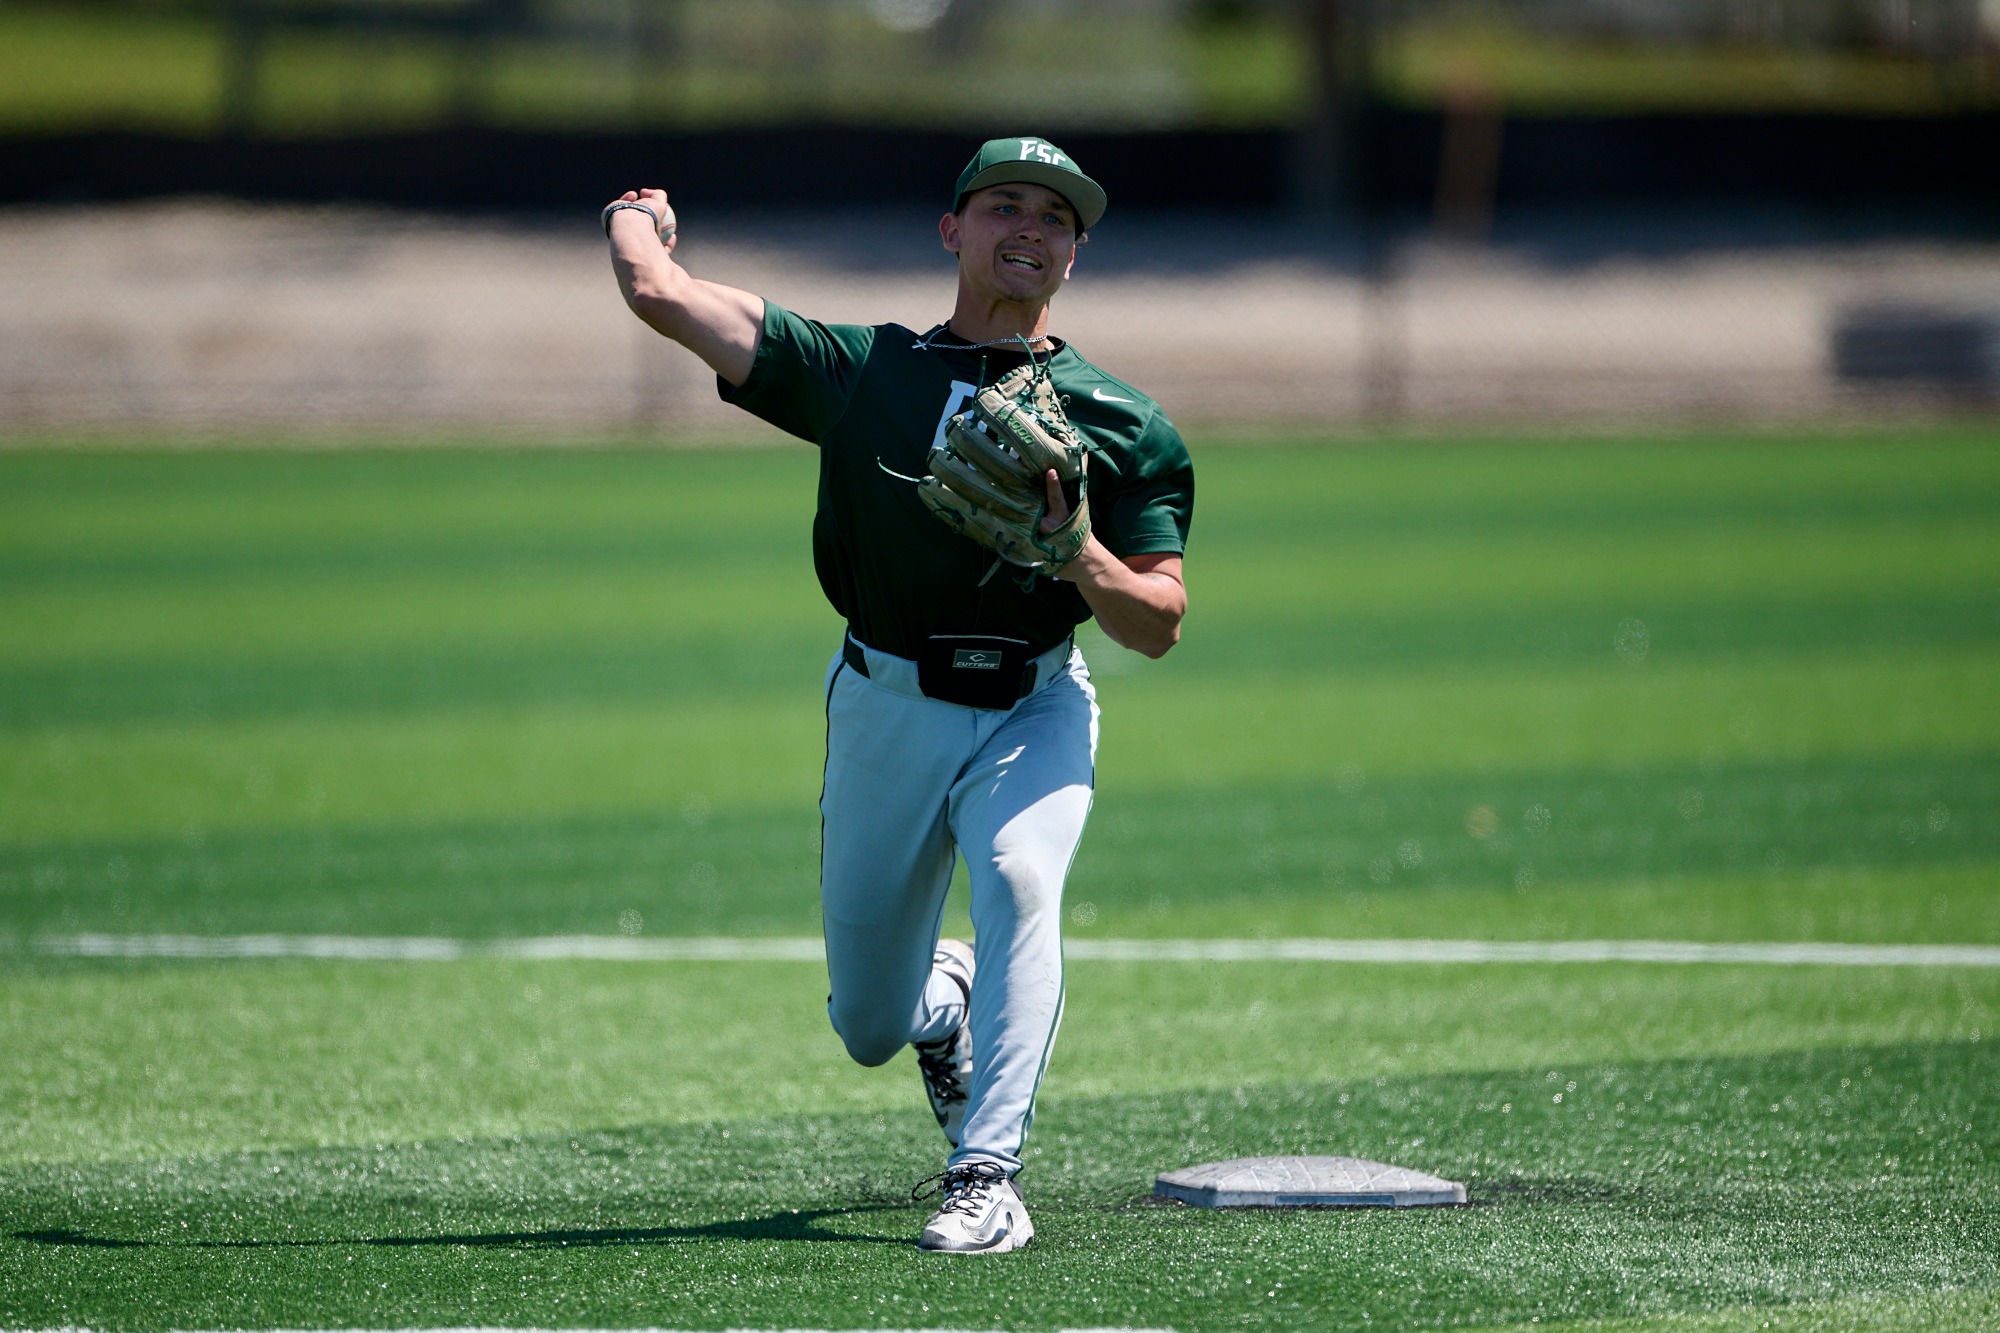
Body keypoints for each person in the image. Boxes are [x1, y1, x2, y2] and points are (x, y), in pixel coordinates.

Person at [603, 136, 1193, 1254]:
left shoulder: (1121, 422)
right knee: (870, 1022)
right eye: (1003, 206)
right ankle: (942, 1007)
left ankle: (987, 1170)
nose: (1029, 228)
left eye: (1055, 218)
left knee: (1021, 876)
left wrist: (1079, 554)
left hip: (1033, 704)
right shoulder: (863, 372)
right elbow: (659, 295)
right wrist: (633, 217)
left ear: (1073, 255)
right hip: (885, 703)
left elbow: (1154, 625)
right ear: (952, 231)